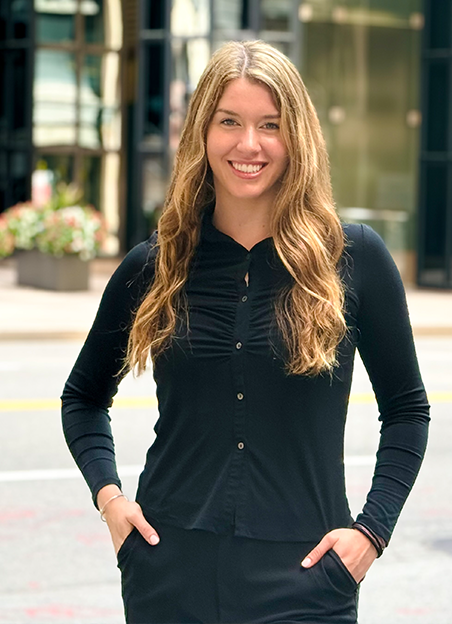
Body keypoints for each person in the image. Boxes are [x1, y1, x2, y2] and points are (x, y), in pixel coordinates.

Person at [61, 39, 430, 624]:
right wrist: (110, 502)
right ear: (202, 134)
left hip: (307, 581)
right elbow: (82, 398)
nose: (249, 144)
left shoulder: (353, 258)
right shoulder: (155, 265)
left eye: (270, 125)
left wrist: (370, 534)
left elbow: (408, 411)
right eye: (229, 122)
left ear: (297, 138)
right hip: (168, 571)